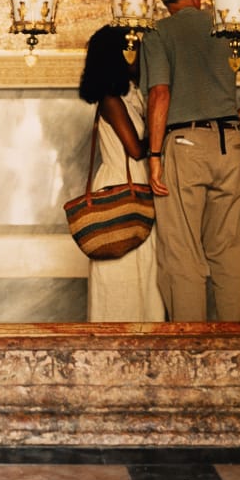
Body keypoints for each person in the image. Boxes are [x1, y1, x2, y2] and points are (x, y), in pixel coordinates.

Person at [142, 0, 240, 321]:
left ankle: (192, 350)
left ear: (164, 2)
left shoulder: (157, 33)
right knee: (229, 251)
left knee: (182, 252)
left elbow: (160, 93)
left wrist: (155, 155)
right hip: (229, 145)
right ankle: (233, 348)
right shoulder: (225, 25)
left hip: (183, 144)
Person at [77, 26, 165, 322]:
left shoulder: (129, 96)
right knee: (121, 270)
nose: (139, 55)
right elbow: (136, 150)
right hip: (122, 185)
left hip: (132, 182)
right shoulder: (111, 100)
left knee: (142, 268)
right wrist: (159, 131)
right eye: (133, 49)